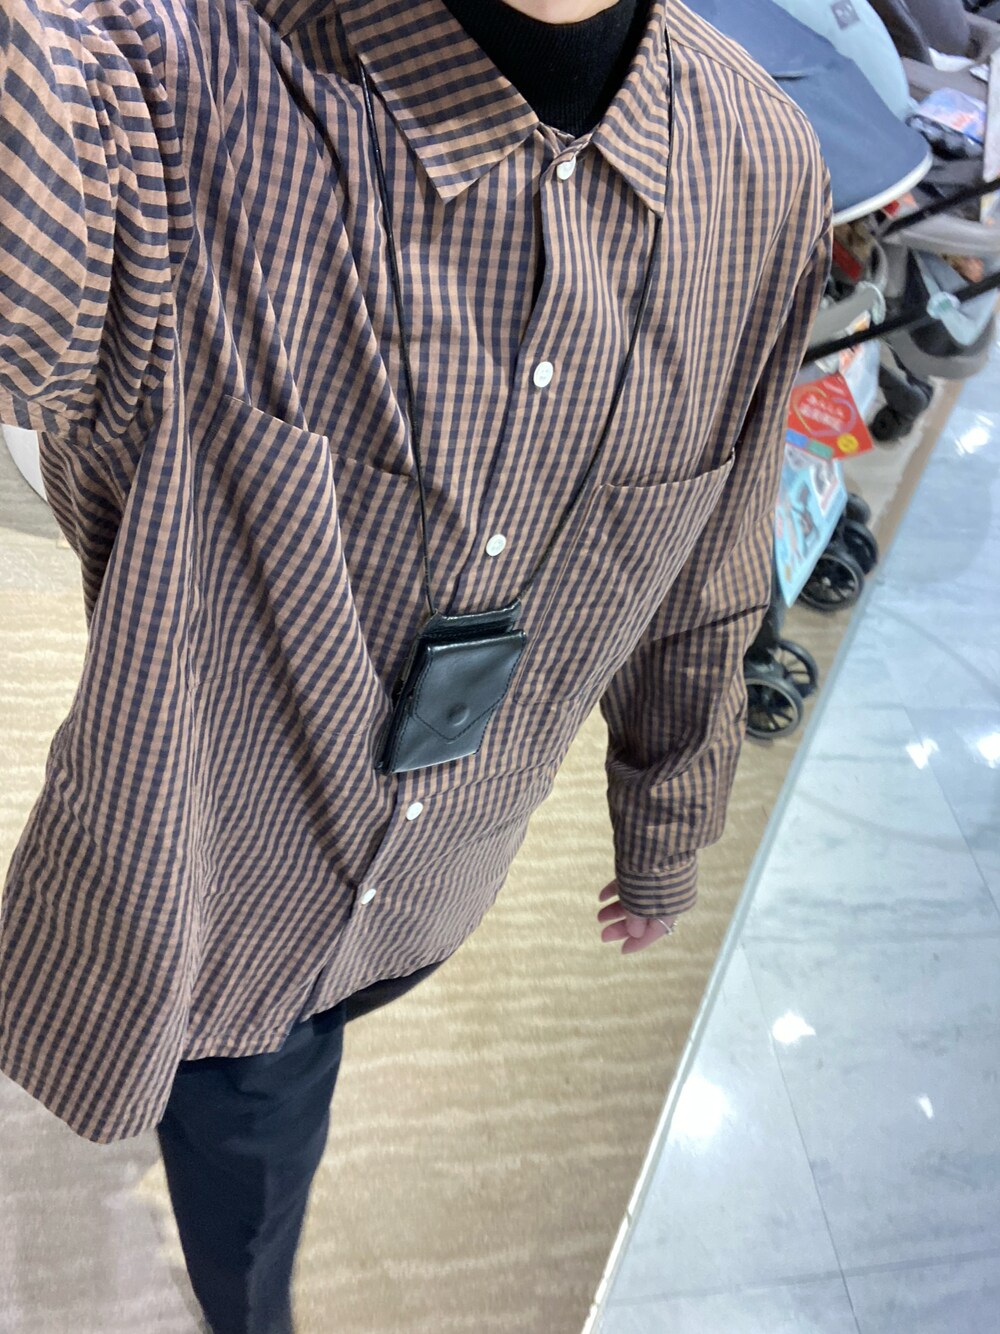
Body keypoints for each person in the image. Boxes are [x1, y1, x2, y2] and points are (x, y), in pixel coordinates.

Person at [0, 0, 832, 1328]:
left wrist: (667, 823)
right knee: (250, 1154)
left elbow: (712, 563)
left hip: (446, 878)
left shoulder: (763, 172)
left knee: (311, 1056)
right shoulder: (165, 77)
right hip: (213, 902)